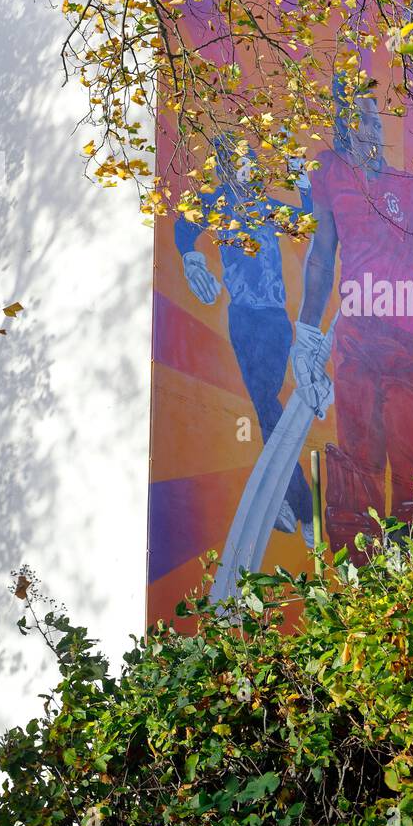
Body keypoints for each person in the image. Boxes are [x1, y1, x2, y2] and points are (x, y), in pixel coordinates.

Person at [290, 71, 413, 556]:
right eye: (364, 121)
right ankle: (361, 578)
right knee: (359, 466)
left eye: (378, 123)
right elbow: (320, 254)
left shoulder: (410, 187)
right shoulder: (329, 173)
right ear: (344, 126)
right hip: (357, 340)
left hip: (406, 349)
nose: (375, 131)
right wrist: (306, 335)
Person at [175, 138, 315, 544]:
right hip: (244, 319)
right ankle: (299, 505)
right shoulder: (217, 204)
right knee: (267, 409)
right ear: (224, 170)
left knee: (268, 410)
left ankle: (295, 503)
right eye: (240, 164)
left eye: (251, 163)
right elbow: (183, 226)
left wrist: (299, 174)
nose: (249, 170)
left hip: (274, 320)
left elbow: (306, 219)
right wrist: (191, 257)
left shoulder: (266, 206)